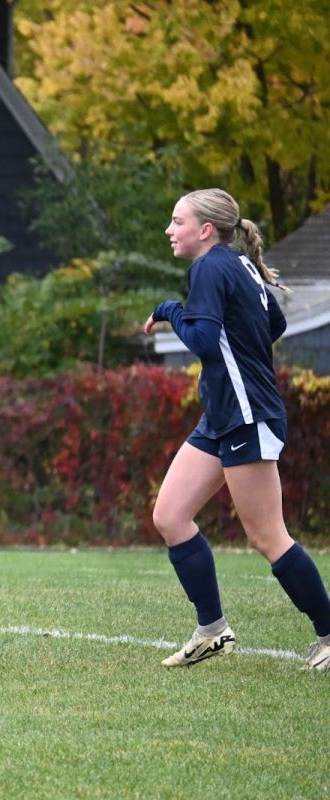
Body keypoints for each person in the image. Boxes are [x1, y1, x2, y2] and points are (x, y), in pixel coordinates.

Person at [144, 188, 330, 671]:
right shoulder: (239, 263)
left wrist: (168, 310)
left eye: (176, 220)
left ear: (205, 230)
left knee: (268, 537)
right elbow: (275, 324)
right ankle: (212, 632)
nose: (169, 230)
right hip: (224, 415)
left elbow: (204, 341)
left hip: (247, 416)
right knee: (170, 516)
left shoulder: (208, 267)